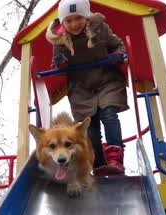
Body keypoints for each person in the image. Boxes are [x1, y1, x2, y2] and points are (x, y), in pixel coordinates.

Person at [45, 0, 129, 175]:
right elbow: (57, 70)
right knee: (89, 126)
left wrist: (118, 54)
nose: (74, 24)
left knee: (108, 113)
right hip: (81, 87)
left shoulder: (100, 29)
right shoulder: (59, 41)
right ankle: (97, 162)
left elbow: (118, 45)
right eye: (69, 21)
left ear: (86, 17)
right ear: (63, 23)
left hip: (106, 79)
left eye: (78, 18)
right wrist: (61, 65)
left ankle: (115, 158)